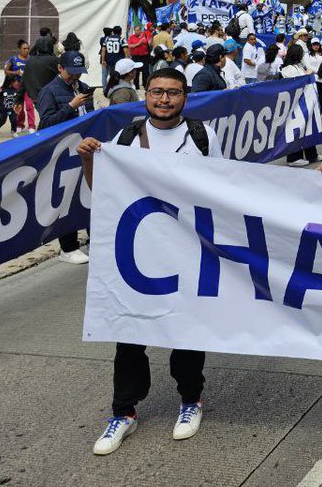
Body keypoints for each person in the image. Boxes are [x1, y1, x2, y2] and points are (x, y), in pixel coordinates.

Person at [76, 68, 217, 456]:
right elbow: (101, 190)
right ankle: (124, 411)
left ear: (185, 97)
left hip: (186, 251)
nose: (164, 100)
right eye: (157, 92)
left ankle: (191, 401)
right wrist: (88, 160)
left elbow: (224, 192)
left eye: (173, 93)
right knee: (130, 332)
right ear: (146, 94)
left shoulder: (202, 137)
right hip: (136, 255)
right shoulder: (124, 138)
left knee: (185, 329)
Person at [36, 51, 95, 263]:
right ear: (60, 68)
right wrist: (71, 106)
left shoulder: (84, 89)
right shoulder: (49, 92)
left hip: (87, 149)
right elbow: (44, 126)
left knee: (90, 194)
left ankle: (94, 238)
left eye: (79, 73)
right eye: (71, 73)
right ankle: (68, 247)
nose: (75, 77)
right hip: (63, 153)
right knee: (67, 198)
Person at [4, 40, 37, 132]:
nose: (26, 50)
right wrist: (16, 72)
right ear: (19, 49)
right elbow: (6, 71)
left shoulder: (32, 59)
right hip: (17, 86)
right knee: (19, 106)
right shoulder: (13, 59)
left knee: (30, 106)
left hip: (29, 86)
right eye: (24, 48)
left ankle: (31, 126)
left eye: (28, 48)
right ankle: (20, 124)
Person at [0, 73, 24, 138]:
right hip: (3, 109)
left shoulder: (16, 89)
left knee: (14, 120)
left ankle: (13, 131)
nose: (17, 83)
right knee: (2, 121)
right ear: (10, 82)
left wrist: (19, 104)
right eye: (15, 81)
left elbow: (19, 98)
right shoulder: (2, 89)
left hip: (13, 109)